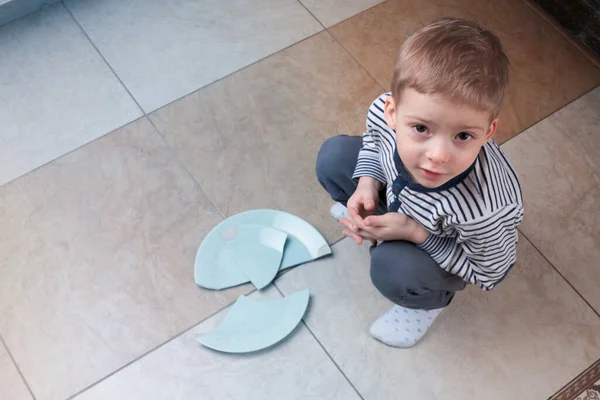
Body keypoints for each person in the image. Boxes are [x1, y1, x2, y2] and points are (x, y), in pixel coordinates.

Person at [315, 18, 523, 348]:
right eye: (422, 129)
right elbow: (374, 140)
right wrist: (367, 183)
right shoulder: (384, 113)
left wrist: (415, 233)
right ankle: (368, 211)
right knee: (334, 156)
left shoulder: (483, 210)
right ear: (393, 111)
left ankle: (426, 303)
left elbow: (490, 272)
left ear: (489, 132)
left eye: (464, 135)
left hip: (441, 239)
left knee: (393, 268)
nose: (438, 155)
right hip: (403, 199)